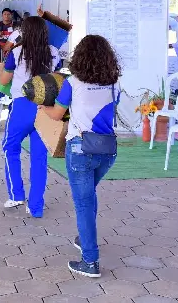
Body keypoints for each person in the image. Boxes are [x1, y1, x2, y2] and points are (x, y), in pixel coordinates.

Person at [39, 35, 121, 278]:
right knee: (89, 196)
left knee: (83, 204)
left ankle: (90, 261)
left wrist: (42, 106)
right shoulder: (114, 83)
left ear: (80, 57)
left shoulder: (72, 83)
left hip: (80, 150)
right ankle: (85, 237)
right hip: (107, 151)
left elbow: (56, 115)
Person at [0, 17, 60, 218]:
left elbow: (4, 79)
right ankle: (36, 206)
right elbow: (57, 77)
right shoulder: (54, 53)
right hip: (46, 108)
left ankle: (16, 194)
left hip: (22, 106)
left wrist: (0, 68)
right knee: (39, 157)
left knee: (10, 147)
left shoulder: (17, 52)